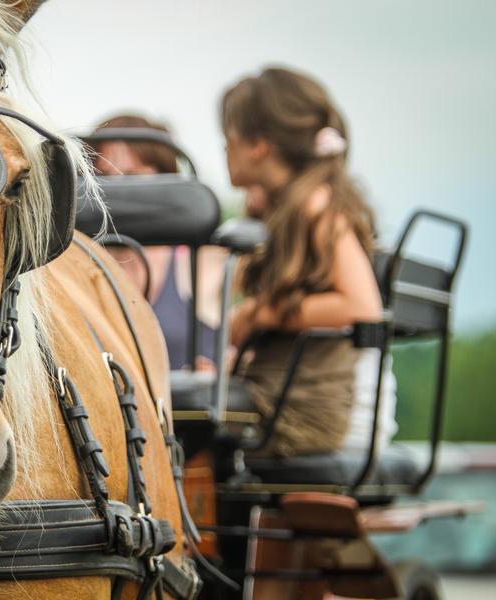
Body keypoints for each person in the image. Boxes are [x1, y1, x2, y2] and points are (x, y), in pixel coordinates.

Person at [221, 67, 397, 456]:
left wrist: (261, 313)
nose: (224, 149)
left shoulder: (316, 205)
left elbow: (359, 305)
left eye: (227, 137)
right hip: (283, 398)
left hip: (297, 413)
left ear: (259, 145)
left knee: (168, 413)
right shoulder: (295, 208)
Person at [90, 115, 225, 372]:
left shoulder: (203, 261)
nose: (116, 189)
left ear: (167, 179)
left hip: (187, 412)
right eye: (103, 176)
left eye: (131, 176)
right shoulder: (76, 262)